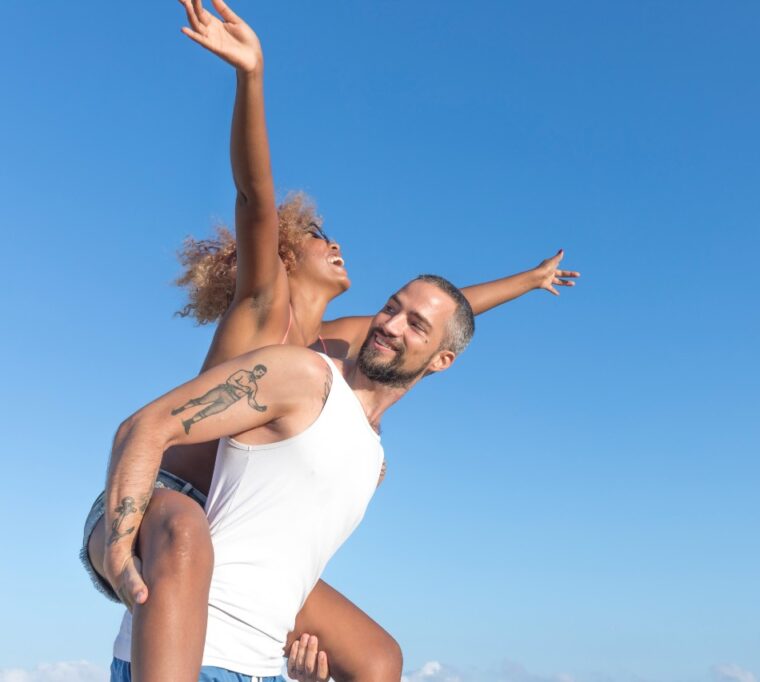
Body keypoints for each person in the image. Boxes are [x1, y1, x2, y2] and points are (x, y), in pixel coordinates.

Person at [81, 1, 579, 681]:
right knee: (190, 537)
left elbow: (439, 319)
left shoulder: (335, 346)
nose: (336, 242)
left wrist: (527, 281)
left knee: (377, 659)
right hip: (161, 499)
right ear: (285, 257)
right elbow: (256, 197)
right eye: (318, 236)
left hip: (237, 530)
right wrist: (250, 79)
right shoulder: (264, 309)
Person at [103, 274, 475, 682]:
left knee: (383, 663)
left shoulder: (374, 457)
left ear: (441, 360)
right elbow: (145, 427)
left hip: (264, 669)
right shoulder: (304, 376)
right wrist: (117, 552)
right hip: (190, 655)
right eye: (391, 307)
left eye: (415, 324)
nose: (389, 325)